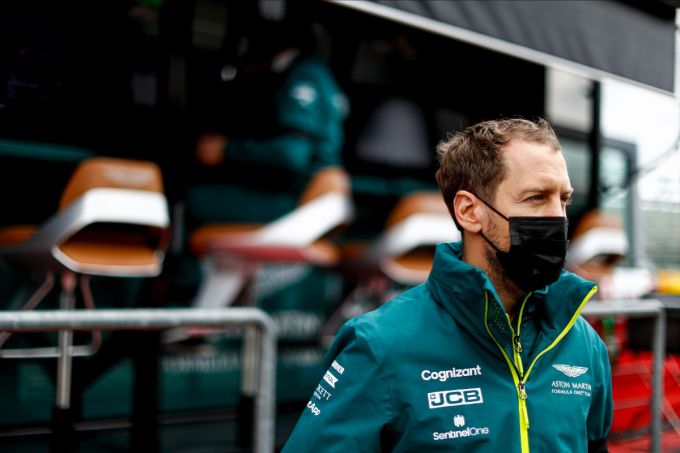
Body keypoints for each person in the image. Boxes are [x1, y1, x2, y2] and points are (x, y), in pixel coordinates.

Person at [282, 118, 612, 452]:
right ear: (469, 211)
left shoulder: (584, 344)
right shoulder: (379, 346)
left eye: (564, 200)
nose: (558, 218)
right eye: (536, 198)